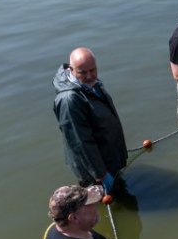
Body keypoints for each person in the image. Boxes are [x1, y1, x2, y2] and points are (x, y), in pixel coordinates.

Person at [53, 47, 128, 191]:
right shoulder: (69, 100)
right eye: (82, 72)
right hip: (95, 171)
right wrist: (101, 175)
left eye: (93, 70)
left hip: (109, 158)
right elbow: (80, 142)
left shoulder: (90, 83)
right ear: (71, 69)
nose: (89, 76)